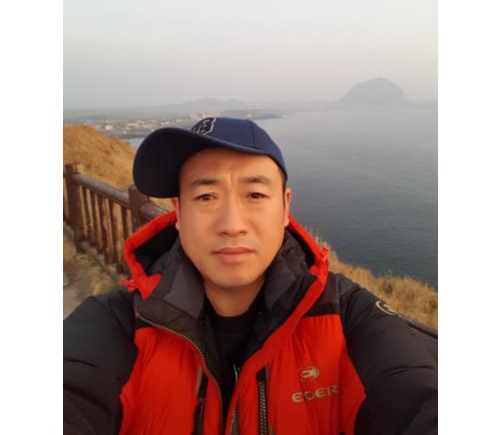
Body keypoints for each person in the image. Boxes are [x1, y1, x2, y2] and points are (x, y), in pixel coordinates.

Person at [64, 117, 437, 435]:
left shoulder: (347, 317)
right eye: (206, 197)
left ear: (285, 208)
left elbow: (415, 395)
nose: (232, 224)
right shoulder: (117, 324)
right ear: (178, 212)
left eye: (255, 195)